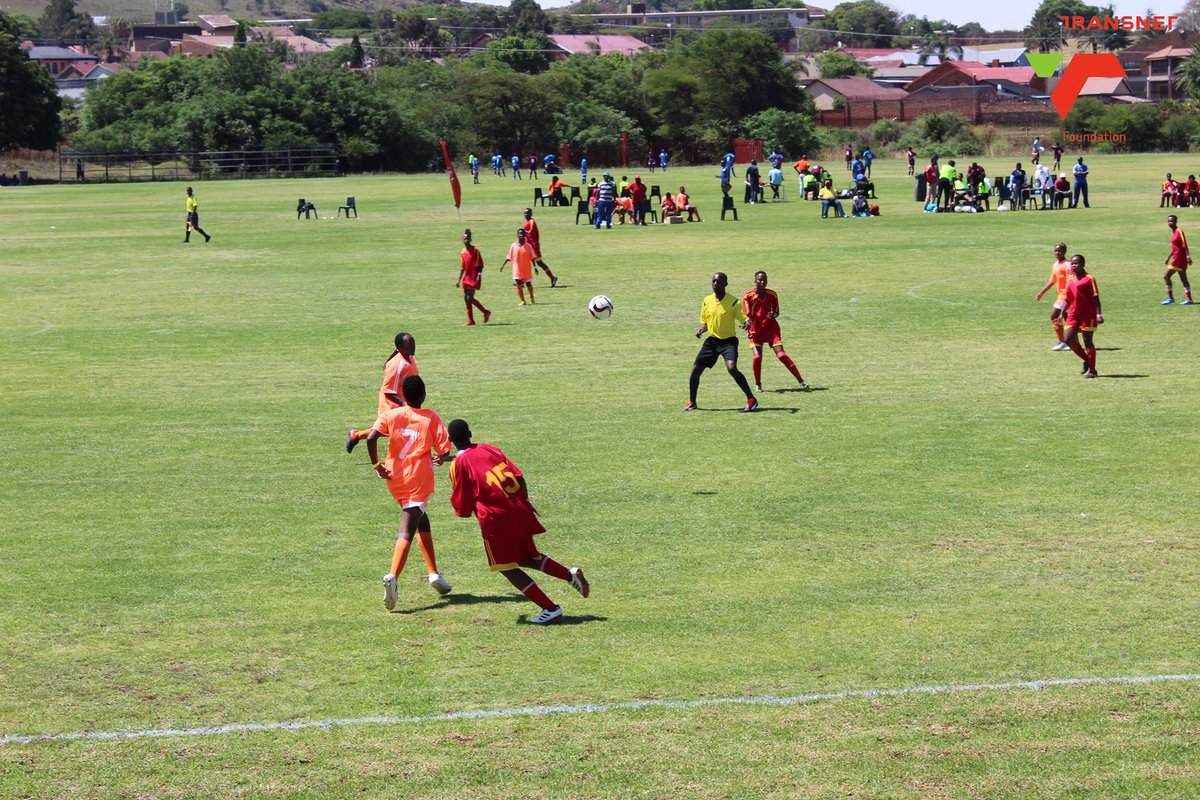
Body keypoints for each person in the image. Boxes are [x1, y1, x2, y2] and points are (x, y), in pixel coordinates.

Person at [447, 419, 589, 625]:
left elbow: (462, 500)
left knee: (506, 567)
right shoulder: (490, 449)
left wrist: (463, 510)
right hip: (518, 509)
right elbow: (519, 477)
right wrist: (525, 501)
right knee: (527, 557)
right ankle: (569, 574)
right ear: (470, 433)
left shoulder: (459, 463)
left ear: (450, 440)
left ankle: (550, 608)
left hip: (496, 519)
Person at [366, 375, 453, 610]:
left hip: (395, 478)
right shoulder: (430, 417)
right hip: (418, 480)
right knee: (408, 527)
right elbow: (444, 448)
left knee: (421, 520)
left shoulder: (391, 415)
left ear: (404, 395)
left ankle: (434, 573)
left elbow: (372, 437)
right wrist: (441, 457)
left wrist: (376, 465)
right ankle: (393, 576)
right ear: (423, 395)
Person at [684, 272, 758, 412]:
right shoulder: (707, 300)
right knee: (695, 371)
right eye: (713, 281)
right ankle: (692, 402)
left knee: (731, 368)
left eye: (718, 282)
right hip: (712, 342)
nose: (715, 284)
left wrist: (747, 324)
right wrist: (701, 330)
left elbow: (745, 319)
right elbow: (706, 323)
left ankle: (751, 399)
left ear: (726, 284)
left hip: (728, 342)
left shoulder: (733, 302)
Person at [346, 332, 420, 453]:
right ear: (400, 347)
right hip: (391, 402)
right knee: (391, 429)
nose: (413, 346)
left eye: (413, 342)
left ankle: (356, 435)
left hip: (403, 401)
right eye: (409, 343)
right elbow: (388, 391)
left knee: (388, 429)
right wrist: (404, 404)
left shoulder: (410, 358)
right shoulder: (397, 365)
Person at [741, 271, 809, 393]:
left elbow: (777, 312)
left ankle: (801, 381)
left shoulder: (772, 294)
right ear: (755, 281)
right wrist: (747, 326)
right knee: (757, 357)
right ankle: (758, 384)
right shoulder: (748, 296)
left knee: (782, 355)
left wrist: (774, 315)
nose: (762, 281)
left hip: (771, 329)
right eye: (759, 279)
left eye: (764, 279)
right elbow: (746, 315)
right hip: (756, 331)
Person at [1061, 254, 1102, 378]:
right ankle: (1087, 360)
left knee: (1087, 341)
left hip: (1087, 314)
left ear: (1083, 264)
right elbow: (1068, 299)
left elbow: (1096, 298)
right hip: (1073, 313)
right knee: (1068, 339)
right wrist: (1063, 312)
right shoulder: (1070, 279)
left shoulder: (1089, 279)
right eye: (1072, 263)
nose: (1074, 265)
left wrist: (1098, 313)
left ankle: (1093, 371)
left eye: (1077, 263)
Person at [1034, 242, 1073, 350]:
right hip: (1060, 295)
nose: (1057, 252)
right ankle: (1070, 341)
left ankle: (1063, 341)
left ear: (1064, 252)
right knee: (1066, 318)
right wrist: (1041, 292)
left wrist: (1070, 295)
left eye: (1060, 251)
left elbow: (1071, 280)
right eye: (1056, 250)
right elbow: (1052, 280)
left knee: (1054, 316)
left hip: (1066, 295)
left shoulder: (1068, 265)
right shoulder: (1055, 265)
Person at [457, 229, 492, 326]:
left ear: (470, 239)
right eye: (465, 239)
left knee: (470, 298)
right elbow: (462, 267)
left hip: (473, 277)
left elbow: (480, 265)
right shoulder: (463, 252)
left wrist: (479, 275)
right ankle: (471, 320)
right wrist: (459, 280)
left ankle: (485, 312)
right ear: (463, 240)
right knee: (466, 298)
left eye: (468, 238)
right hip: (466, 278)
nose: (466, 240)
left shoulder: (475, 250)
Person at [1163, 214, 1194, 305]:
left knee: (1166, 276)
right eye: (1168, 221)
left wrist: (1188, 256)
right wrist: (1168, 257)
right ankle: (1189, 299)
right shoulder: (1173, 232)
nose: (1170, 223)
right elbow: (1175, 248)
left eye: (1172, 221)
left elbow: (1184, 244)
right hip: (1178, 258)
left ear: (1176, 222)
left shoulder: (1179, 231)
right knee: (1183, 279)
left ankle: (1170, 298)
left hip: (1179, 259)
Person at [522, 208, 558, 286]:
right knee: (525, 262)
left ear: (531, 214)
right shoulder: (528, 222)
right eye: (524, 213)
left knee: (540, 263)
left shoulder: (532, 222)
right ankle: (521, 281)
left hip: (534, 246)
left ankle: (552, 278)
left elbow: (530, 233)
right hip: (528, 246)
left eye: (527, 213)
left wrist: (524, 232)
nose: (525, 215)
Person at [502, 228, 537, 305]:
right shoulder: (513, 246)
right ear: (517, 235)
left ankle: (531, 297)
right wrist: (503, 265)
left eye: (522, 233)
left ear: (525, 235)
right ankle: (522, 300)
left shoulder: (528, 246)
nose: (521, 234)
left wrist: (535, 268)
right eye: (519, 233)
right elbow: (509, 256)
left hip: (526, 269)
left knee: (528, 284)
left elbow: (532, 258)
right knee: (518, 283)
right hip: (517, 269)